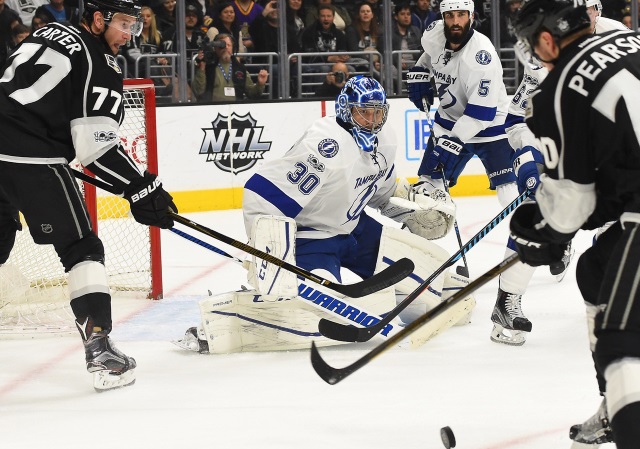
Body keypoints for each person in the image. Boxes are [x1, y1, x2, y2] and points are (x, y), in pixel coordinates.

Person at [174, 75, 471, 354]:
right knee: (328, 315)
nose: (371, 122)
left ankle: (442, 283)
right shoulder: (324, 147)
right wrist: (270, 256)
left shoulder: (386, 139)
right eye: (363, 113)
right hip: (312, 237)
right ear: (345, 110)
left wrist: (411, 209)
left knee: (428, 293)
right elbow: (262, 197)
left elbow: (380, 191)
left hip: (356, 229)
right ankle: (234, 316)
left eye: (377, 114)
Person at [0, 0, 177, 391]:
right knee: (81, 248)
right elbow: (97, 148)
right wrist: (144, 187)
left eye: (134, 26)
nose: (129, 35)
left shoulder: (47, 32)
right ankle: (100, 349)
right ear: (98, 19)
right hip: (32, 156)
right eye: (123, 24)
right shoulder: (102, 61)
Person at [511, 1, 640, 447]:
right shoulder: (630, 39)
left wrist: (543, 233)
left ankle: (623, 406)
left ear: (547, 40)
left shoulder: (559, 88)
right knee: (594, 270)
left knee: (622, 349)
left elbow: (571, 205)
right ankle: (612, 404)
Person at [407, 0, 528, 340]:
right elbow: (428, 56)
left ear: (472, 17)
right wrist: (419, 69)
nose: (455, 21)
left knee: (510, 198)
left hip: (489, 128)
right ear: (443, 17)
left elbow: (480, 114)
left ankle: (526, 257)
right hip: (448, 123)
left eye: (461, 15)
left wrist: (451, 143)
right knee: (426, 192)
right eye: (450, 15)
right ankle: (420, 267)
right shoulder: (434, 34)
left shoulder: (482, 56)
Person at [191, 33, 268, 102]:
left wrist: (260, 84)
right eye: (222, 45)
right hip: (212, 110)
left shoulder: (240, 68)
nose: (225, 48)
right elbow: (198, 92)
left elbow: (252, 94)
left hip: (235, 110)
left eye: (228, 45)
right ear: (215, 48)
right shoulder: (208, 67)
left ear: (233, 48)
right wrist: (201, 68)